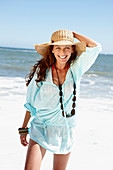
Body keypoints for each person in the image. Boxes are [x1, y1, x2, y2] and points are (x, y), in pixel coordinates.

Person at [18, 29, 102, 170]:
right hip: (41, 126)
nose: (62, 52)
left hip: (65, 129)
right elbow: (30, 103)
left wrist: (73, 34)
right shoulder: (42, 71)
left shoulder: (76, 68)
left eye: (66, 47)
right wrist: (24, 128)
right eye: (58, 47)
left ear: (72, 50)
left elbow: (95, 47)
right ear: (52, 50)